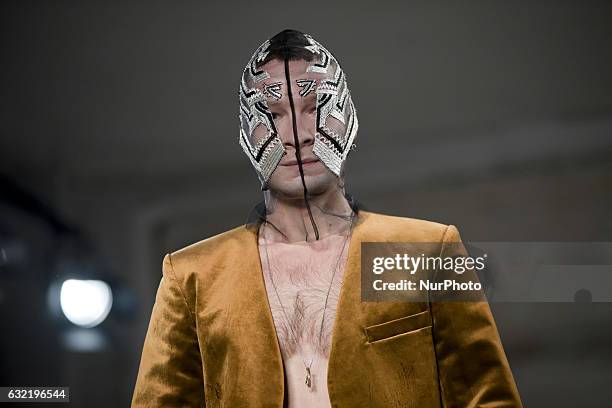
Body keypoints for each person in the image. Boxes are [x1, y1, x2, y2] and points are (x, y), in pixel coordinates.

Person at [131, 29, 522, 407]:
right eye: (273, 113)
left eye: (315, 106)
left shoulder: (427, 251)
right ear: (247, 132)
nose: (298, 133)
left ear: (347, 115)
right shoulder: (192, 276)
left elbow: (487, 397)